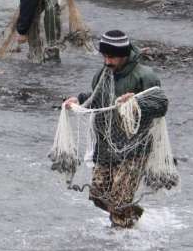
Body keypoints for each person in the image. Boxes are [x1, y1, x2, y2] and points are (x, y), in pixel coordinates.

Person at [62, 30, 168, 228]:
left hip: (134, 148)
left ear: (125, 54)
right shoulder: (103, 73)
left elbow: (161, 105)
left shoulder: (145, 76)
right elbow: (98, 99)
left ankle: (122, 242)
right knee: (98, 196)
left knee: (119, 201)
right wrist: (79, 100)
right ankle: (131, 216)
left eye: (112, 57)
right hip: (106, 147)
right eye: (105, 56)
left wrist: (136, 102)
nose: (108, 61)